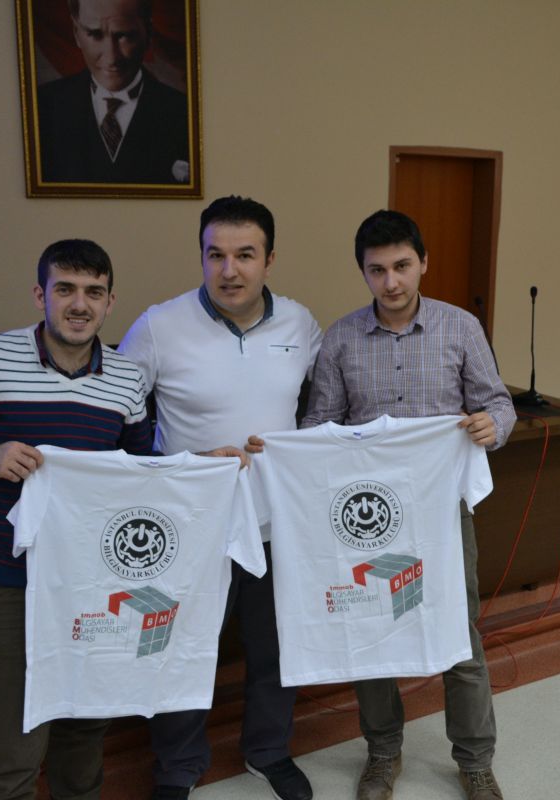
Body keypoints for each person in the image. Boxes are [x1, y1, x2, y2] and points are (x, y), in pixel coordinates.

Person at [0, 239, 241, 800]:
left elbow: (139, 474)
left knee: (85, 734)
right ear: (41, 295)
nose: (79, 304)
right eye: (65, 289)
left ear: (110, 302)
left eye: (93, 292)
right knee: (14, 750)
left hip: (95, 585)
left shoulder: (127, 380)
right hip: (13, 582)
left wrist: (200, 466)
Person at [295, 210, 516, 800]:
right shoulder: (341, 337)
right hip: (367, 517)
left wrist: (491, 426)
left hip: (441, 508)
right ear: (362, 272)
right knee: (372, 631)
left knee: (458, 631)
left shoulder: (460, 327)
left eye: (401, 266)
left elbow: (499, 403)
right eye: (377, 270)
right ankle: (382, 752)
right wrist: (292, 452)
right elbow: (320, 424)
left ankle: (475, 760)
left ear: (423, 263)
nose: (391, 282)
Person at [119, 196, 322, 800]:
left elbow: (324, 407)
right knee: (181, 649)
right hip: (192, 526)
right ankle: (178, 766)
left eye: (244, 255)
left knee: (275, 646)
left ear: (269, 260)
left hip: (275, 522)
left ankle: (268, 750)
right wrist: (181, 467)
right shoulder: (157, 327)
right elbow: (119, 424)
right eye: (215, 255)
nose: (229, 270)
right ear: (202, 257)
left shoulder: (300, 324)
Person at [37, 0, 190, 185]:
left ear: (148, 33)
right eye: (95, 34)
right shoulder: (41, 107)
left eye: (123, 35)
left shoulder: (185, 114)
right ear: (76, 33)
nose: (111, 58)